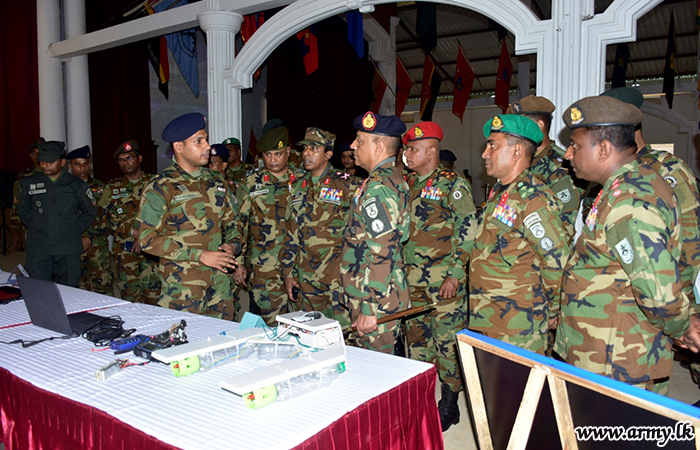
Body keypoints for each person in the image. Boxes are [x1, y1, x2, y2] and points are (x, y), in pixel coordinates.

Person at [555, 96, 690, 395]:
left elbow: (658, 292)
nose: (568, 154)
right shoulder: (624, 185)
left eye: (575, 145)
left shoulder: (629, 201)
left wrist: (682, 327)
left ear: (603, 149)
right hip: (606, 350)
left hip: (616, 360)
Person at [469, 115, 570, 354]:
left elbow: (556, 260)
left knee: (520, 379)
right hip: (488, 315)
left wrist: (553, 310)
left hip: (518, 324)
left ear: (516, 151)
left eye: (492, 145)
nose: (485, 154)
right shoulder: (501, 190)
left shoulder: (533, 198)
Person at [402, 121, 476, 432]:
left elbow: (468, 227)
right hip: (412, 279)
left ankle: (450, 404)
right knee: (418, 342)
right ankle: (422, 398)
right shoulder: (406, 183)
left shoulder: (452, 184)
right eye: (406, 149)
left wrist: (455, 274)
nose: (407, 154)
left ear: (431, 151)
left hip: (443, 281)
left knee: (446, 342)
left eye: (413, 149)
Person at [137, 113, 239, 319]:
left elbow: (232, 222)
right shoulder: (161, 186)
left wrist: (233, 245)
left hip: (220, 285)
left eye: (206, 139)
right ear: (179, 146)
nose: (207, 146)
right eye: (198, 141)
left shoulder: (216, 180)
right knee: (186, 338)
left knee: (223, 336)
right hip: (183, 286)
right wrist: (199, 255)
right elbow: (147, 239)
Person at [339, 111, 410, 354]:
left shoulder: (378, 187)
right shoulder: (388, 179)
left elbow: (382, 251)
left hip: (377, 300)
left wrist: (368, 307)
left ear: (378, 148)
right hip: (378, 294)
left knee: (377, 367)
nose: (353, 145)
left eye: (359, 140)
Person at [281, 127, 359, 328]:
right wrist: (288, 273)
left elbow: (359, 234)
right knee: (310, 331)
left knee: (342, 332)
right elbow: (291, 233)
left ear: (328, 154)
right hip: (306, 277)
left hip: (337, 278)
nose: (306, 153)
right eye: (305, 148)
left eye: (314, 148)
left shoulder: (348, 185)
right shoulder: (297, 186)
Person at [236, 127, 304, 326]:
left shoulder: (303, 180)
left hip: (300, 264)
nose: (273, 160)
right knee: (271, 323)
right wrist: (238, 261)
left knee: (303, 322)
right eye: (268, 155)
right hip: (265, 265)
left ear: (288, 152)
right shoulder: (250, 182)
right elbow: (239, 223)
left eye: (278, 154)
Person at [17, 141, 96, 287]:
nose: (45, 165)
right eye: (43, 162)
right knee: (37, 288)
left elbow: (89, 212)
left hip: (67, 247)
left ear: (62, 162)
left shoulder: (76, 185)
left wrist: (72, 229)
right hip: (39, 246)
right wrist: (38, 226)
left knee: (68, 290)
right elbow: (22, 209)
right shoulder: (29, 183)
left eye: (50, 162)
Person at [507, 95, 580, 240]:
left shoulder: (561, 167)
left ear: (539, 126)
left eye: (520, 125)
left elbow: (563, 229)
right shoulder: (521, 161)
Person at [99, 140, 160, 304]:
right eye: (121, 160)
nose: (125, 163)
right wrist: (133, 232)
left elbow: (165, 213)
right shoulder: (112, 187)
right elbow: (104, 216)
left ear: (140, 159)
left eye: (129, 158)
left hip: (152, 249)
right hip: (124, 252)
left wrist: (143, 234)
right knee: (129, 297)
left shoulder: (155, 183)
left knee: (154, 296)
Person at [66, 145, 113, 294]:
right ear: (70, 166)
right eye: (77, 164)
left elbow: (107, 216)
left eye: (85, 164)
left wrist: (89, 236)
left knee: (103, 283)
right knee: (77, 287)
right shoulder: (64, 188)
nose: (82, 168)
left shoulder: (101, 187)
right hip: (72, 243)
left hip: (97, 243)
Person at [11, 138, 44, 251]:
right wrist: (15, 231)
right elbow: (17, 205)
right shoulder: (24, 178)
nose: (38, 156)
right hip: (33, 227)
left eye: (41, 152)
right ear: (30, 155)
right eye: (34, 153)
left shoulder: (55, 175)